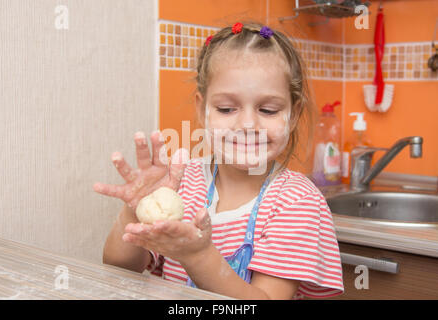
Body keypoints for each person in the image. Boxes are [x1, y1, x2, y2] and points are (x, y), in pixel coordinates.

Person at [94, 21, 344, 300]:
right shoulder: (182, 183)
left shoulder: (297, 201)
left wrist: (199, 256)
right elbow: (120, 267)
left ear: (293, 114)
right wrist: (135, 209)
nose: (248, 123)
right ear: (202, 109)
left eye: (268, 110)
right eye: (226, 108)